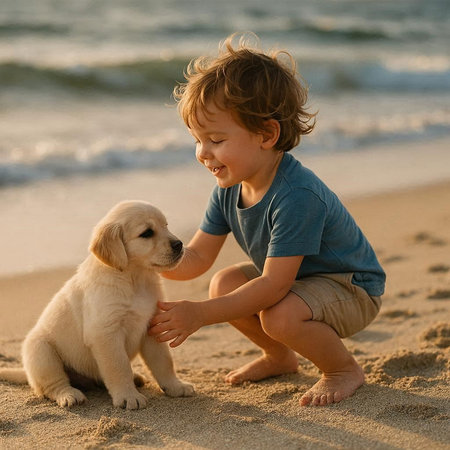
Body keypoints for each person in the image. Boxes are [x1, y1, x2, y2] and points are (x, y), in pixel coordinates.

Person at [149, 33, 385, 406]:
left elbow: (274, 285)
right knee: (224, 283)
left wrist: (199, 315)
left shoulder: (296, 196)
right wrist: (145, 256)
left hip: (351, 288)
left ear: (266, 134)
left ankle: (342, 369)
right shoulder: (229, 189)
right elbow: (195, 260)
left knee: (278, 314)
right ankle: (280, 357)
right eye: (197, 140)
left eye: (215, 139)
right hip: (301, 286)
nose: (202, 153)